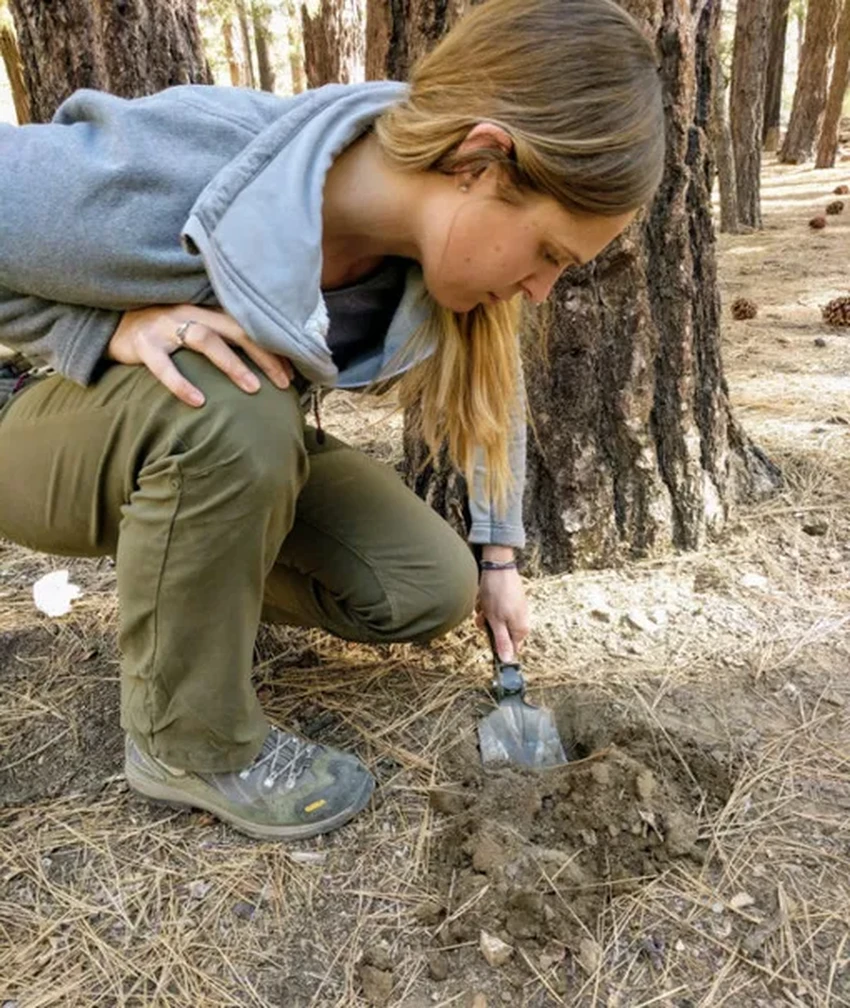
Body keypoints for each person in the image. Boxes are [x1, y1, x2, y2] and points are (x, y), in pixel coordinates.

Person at [0, 0, 663, 840]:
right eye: (549, 255)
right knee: (236, 404)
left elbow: (494, 393)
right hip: (26, 416)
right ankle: (188, 743)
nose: (541, 290)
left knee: (426, 585)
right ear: (482, 158)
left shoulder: (420, 256)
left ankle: (184, 589)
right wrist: (99, 327)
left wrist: (499, 556)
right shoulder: (186, 162)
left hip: (187, 431)